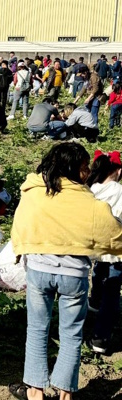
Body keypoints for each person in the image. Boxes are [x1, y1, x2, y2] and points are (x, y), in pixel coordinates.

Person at [9, 143, 122, 400]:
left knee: (37, 330)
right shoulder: (87, 200)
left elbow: (20, 223)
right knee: (71, 335)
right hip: (74, 275)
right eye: (84, 167)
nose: (87, 172)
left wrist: (19, 249)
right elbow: (112, 232)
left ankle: (35, 392)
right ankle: (65, 394)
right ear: (73, 168)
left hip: (39, 271)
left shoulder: (34, 191)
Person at [86, 151, 122, 354]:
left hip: (95, 247)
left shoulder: (91, 188)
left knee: (99, 274)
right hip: (116, 249)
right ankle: (100, 338)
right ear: (118, 171)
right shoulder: (118, 190)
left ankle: (93, 305)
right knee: (112, 293)